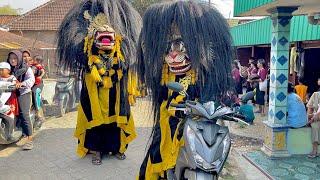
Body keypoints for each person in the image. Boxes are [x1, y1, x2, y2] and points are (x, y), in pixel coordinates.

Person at [136, 1, 233, 179]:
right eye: (168, 47)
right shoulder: (165, 75)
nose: (173, 56)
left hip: (195, 127)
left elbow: (212, 103)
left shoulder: (205, 76)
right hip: (168, 126)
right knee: (158, 155)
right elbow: (164, 98)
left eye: (181, 46)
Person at [57, 0, 141, 165]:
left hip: (115, 93)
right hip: (93, 93)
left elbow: (127, 61)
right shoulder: (88, 57)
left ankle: (116, 148)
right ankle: (96, 151)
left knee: (115, 120)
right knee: (95, 121)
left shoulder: (120, 57)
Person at [7, 50, 35, 150]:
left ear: (19, 58)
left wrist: (22, 84)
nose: (13, 60)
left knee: (24, 114)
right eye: (11, 58)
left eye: (15, 58)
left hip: (23, 93)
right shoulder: (7, 69)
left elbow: (31, 80)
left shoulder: (26, 68)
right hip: (9, 94)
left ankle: (30, 140)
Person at [30, 56, 46, 129]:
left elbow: (43, 72)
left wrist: (40, 77)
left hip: (38, 84)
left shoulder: (39, 66)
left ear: (38, 61)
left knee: (35, 93)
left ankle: (39, 113)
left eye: (34, 60)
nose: (33, 61)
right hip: (33, 84)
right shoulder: (32, 66)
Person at [306, 78, 320, 158]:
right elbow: (309, 107)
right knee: (315, 126)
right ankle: (315, 150)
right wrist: (310, 117)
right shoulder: (315, 94)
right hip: (316, 118)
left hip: (317, 116)